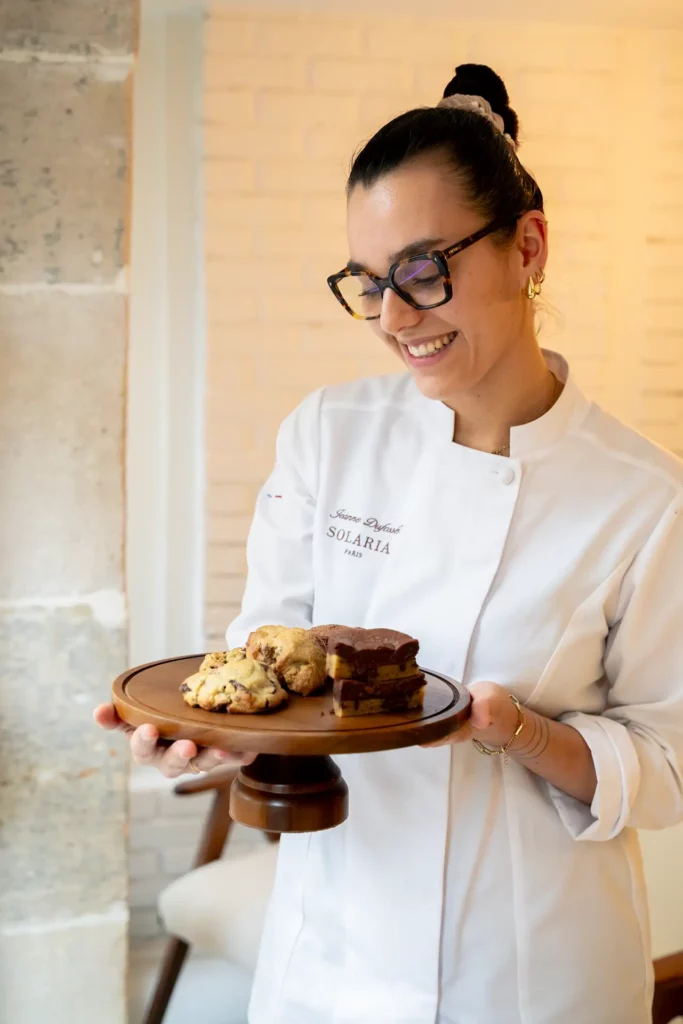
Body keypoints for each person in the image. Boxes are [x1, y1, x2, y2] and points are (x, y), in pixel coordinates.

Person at [96, 63, 683, 1023]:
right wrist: (210, 743)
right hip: (330, 956)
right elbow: (264, 663)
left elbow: (666, 764)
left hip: (529, 967)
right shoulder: (327, 434)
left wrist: (520, 732)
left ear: (527, 246)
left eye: (423, 270)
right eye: (368, 284)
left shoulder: (645, 497)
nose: (394, 319)